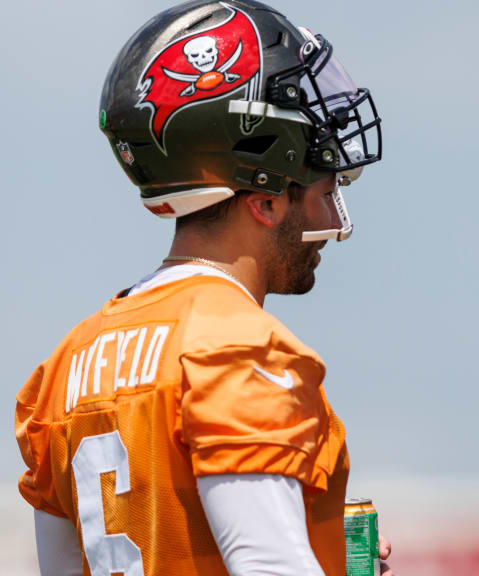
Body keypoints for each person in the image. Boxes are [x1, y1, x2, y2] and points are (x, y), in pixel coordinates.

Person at [14, 1, 392, 574]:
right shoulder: (240, 349)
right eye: (321, 181)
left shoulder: (64, 368)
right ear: (265, 200)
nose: (331, 210)